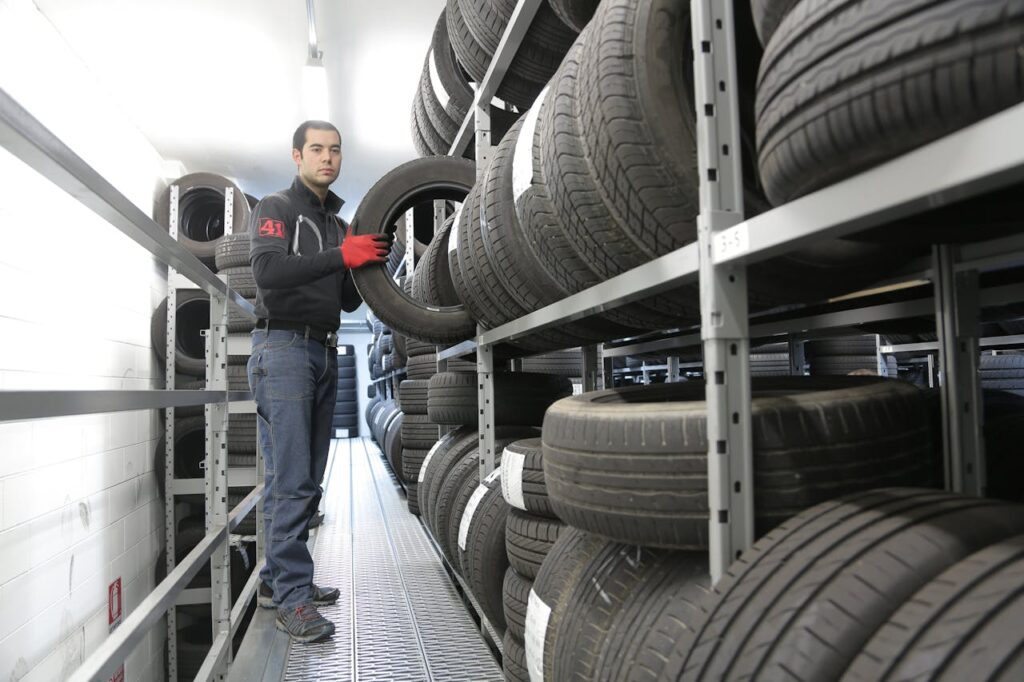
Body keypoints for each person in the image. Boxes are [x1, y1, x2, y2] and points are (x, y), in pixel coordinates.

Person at [246, 120, 390, 642]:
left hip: (323, 351)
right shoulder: (275, 209)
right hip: (282, 348)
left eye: (335, 150)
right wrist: (341, 256)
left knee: (306, 480)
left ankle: (277, 582)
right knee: (291, 480)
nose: (327, 158)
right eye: (317, 149)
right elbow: (270, 274)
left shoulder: (339, 224)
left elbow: (346, 300)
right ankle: (293, 598)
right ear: (296, 155)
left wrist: (366, 264)